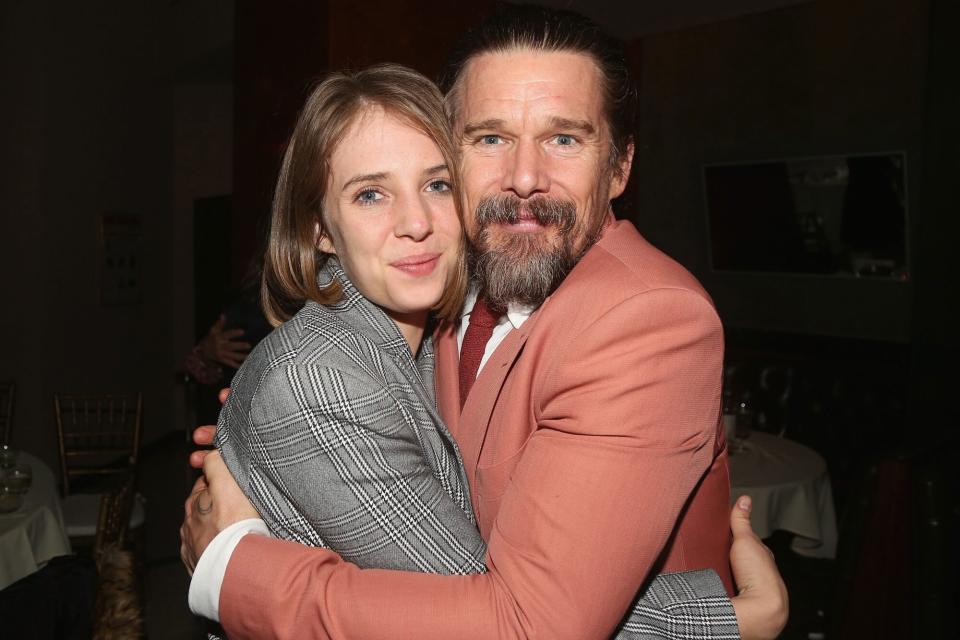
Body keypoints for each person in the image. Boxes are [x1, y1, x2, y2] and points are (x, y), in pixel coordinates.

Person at [183, 5, 789, 639]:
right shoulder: (430, 289)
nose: (524, 178)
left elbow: (528, 620)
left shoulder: (649, 319)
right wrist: (273, 418)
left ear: (619, 167)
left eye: (564, 139)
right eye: (490, 138)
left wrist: (235, 569)